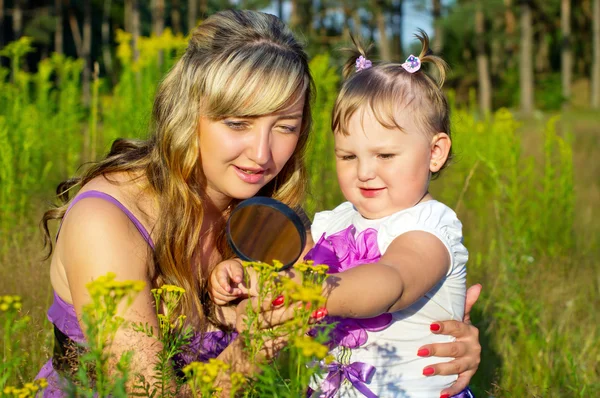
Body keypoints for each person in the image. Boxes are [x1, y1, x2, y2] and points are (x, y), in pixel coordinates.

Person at [34, 9, 480, 397]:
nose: (262, 154)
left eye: (285, 127)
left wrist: (440, 333)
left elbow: (377, 285)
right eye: (238, 123)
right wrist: (264, 342)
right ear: (190, 113)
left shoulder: (268, 213)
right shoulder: (109, 220)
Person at [210, 31, 477, 398]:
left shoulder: (430, 226)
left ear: (435, 153)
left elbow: (391, 282)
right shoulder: (333, 222)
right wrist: (248, 279)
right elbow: (289, 275)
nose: (364, 172)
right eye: (348, 156)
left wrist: (306, 290)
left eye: (385, 156)